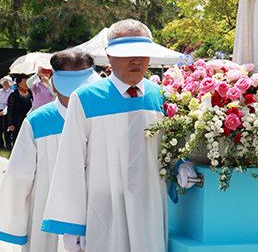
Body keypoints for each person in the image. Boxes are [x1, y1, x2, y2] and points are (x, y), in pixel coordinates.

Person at [42, 19, 196, 252]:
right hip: (103, 209)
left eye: (142, 53)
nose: (136, 60)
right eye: (127, 54)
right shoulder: (85, 99)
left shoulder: (163, 98)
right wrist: (72, 225)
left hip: (150, 207)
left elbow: (171, 150)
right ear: (109, 55)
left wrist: (182, 165)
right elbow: (70, 162)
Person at [0, 48, 100, 252]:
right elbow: (18, 179)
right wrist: (16, 227)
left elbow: (18, 178)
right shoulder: (37, 122)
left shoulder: (103, 117)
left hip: (97, 215)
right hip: (47, 221)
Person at [6, 74, 33, 150]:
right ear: (18, 83)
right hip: (17, 121)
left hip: (29, 120)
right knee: (17, 140)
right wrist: (10, 124)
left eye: (28, 81)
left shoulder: (31, 93)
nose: (26, 83)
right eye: (25, 81)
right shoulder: (14, 95)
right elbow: (10, 110)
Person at [0, 76, 14, 149]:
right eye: (4, 82)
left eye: (7, 82)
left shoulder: (12, 92)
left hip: (7, 111)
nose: (5, 83)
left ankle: (8, 145)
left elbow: (9, 104)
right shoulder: (0, 91)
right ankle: (1, 145)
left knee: (6, 129)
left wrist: (4, 112)